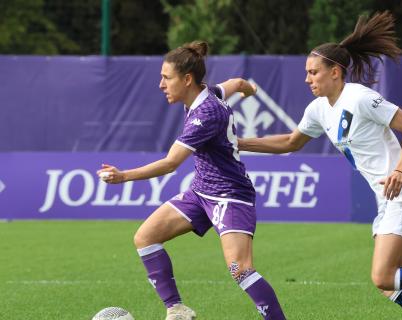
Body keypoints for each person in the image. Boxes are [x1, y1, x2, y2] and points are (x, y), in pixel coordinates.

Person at [238, 12, 402, 320]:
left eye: (313, 72)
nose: (307, 79)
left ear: (335, 72)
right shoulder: (318, 109)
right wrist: (238, 144)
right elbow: (291, 142)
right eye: (306, 72)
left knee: (383, 276)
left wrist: (399, 170)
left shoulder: (359, 97)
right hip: (386, 199)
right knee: (392, 284)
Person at [97, 41, 286, 320]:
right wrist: (248, 88)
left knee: (241, 269)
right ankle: (177, 309)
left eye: (166, 77)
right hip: (201, 192)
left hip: (230, 195)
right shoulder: (205, 94)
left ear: (187, 79)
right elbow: (234, 83)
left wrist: (124, 176)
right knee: (145, 237)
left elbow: (171, 163)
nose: (161, 84)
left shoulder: (206, 114)